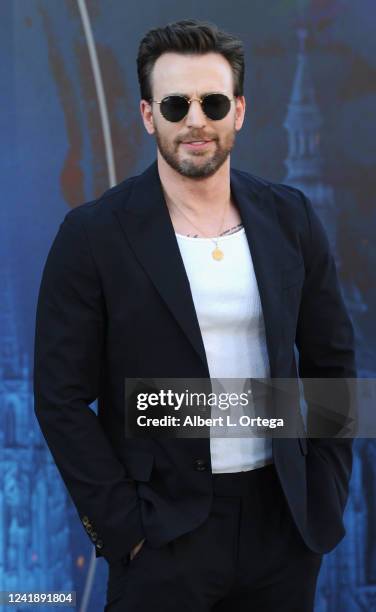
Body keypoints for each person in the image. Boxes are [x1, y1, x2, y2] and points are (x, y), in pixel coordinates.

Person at [33, 19, 356, 612]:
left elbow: (331, 361)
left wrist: (325, 492)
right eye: (176, 104)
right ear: (148, 115)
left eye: (211, 102)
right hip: (160, 538)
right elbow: (59, 396)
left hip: (282, 529)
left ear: (238, 110)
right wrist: (123, 528)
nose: (195, 121)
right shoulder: (93, 236)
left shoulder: (292, 218)